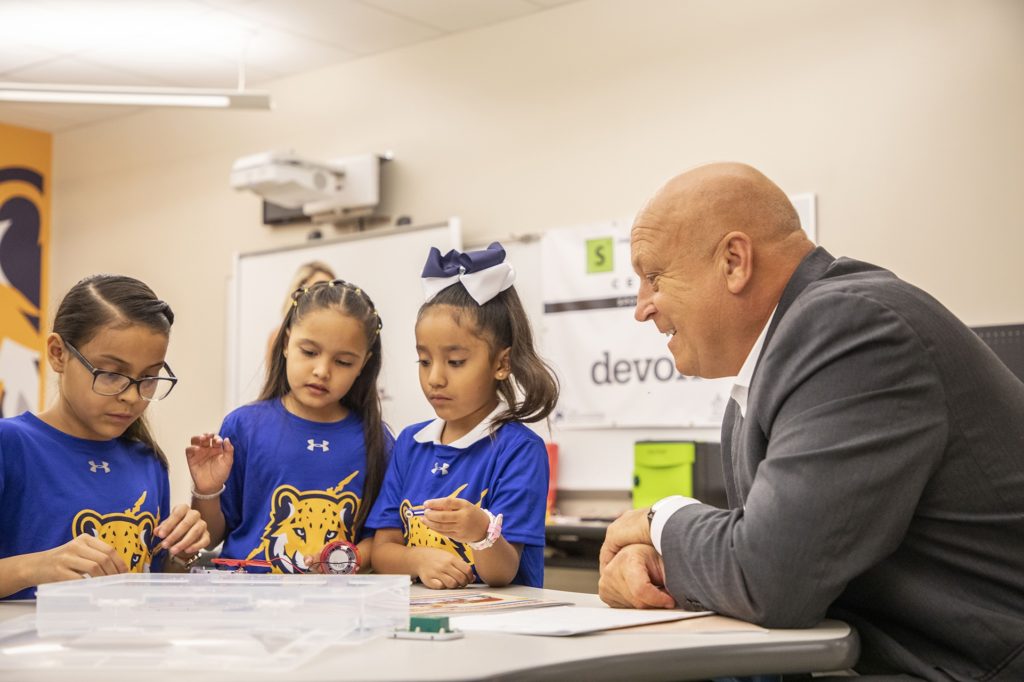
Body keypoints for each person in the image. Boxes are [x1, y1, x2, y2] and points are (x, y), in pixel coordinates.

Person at [597, 162, 1024, 681]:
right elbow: (759, 556)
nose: (641, 308)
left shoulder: (850, 326)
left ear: (734, 261)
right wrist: (659, 560)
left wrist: (656, 522)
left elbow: (771, 578)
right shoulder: (763, 378)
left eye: (653, 277)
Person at [0, 275, 210, 599]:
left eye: (149, 378)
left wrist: (181, 554)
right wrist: (35, 567)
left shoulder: (147, 461)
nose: (131, 396)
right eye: (112, 374)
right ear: (58, 354)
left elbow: (151, 582)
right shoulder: (11, 444)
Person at [367, 243, 559, 589]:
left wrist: (480, 532)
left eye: (455, 362)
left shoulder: (519, 449)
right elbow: (382, 552)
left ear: (501, 364)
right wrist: (418, 559)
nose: (435, 377)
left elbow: (502, 573)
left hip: (499, 629)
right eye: (424, 361)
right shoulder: (410, 444)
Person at [186, 278, 391, 574]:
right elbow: (212, 536)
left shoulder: (376, 440)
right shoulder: (244, 425)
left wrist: (343, 560)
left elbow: (381, 540)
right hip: (247, 605)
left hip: (335, 606)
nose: (322, 371)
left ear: (363, 364)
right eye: (309, 352)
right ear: (285, 343)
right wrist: (207, 490)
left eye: (344, 362)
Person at [265, 261, 336, 365]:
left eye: (332, 290)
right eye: (320, 290)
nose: (326, 296)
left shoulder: (337, 335)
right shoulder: (279, 335)